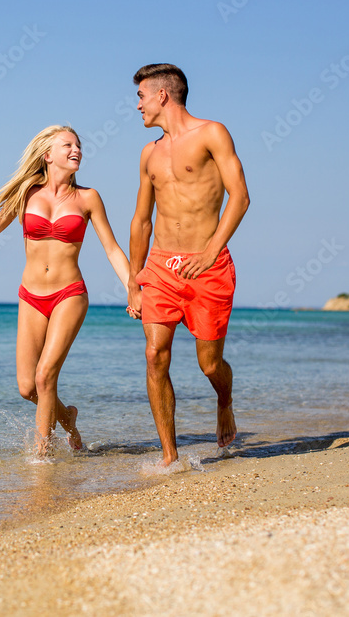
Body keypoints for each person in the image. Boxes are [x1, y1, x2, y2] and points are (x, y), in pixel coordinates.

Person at [0, 125, 131, 457]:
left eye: (78, 145)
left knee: (46, 375)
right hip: (31, 296)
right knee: (27, 387)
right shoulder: (27, 194)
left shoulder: (88, 198)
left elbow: (113, 250)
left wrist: (133, 289)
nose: (76, 150)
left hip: (69, 294)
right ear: (48, 155)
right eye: (67, 145)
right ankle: (69, 421)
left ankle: (41, 458)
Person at [127, 64, 251, 467]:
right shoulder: (149, 152)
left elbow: (240, 196)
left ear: (162, 95)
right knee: (154, 354)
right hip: (161, 267)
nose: (138, 106)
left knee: (209, 362)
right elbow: (142, 220)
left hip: (207, 266)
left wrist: (213, 249)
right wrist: (134, 281)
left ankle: (225, 399)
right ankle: (169, 455)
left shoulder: (212, 133)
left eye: (141, 96)